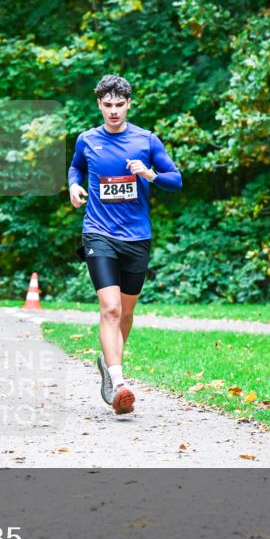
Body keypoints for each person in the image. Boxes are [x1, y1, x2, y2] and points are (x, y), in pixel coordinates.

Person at [68, 74, 182, 415]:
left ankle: (107, 362)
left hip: (137, 237)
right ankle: (118, 383)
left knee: (127, 313)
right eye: (107, 105)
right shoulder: (87, 140)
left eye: (119, 105)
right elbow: (75, 168)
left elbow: (175, 181)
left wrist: (149, 175)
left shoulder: (146, 141)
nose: (113, 111)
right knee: (111, 308)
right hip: (98, 233)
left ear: (129, 104)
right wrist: (74, 186)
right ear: (99, 104)